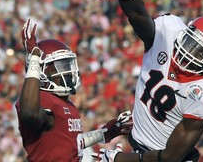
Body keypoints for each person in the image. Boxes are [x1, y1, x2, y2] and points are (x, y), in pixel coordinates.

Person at [89, 0, 203, 162]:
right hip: (139, 148)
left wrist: (117, 159)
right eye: (191, 43)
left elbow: (169, 158)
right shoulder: (170, 31)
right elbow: (138, 16)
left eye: (200, 52)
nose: (188, 53)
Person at [15, 19, 133, 162]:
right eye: (60, 67)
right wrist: (34, 56)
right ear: (41, 71)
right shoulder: (40, 99)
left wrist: (106, 132)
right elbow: (29, 114)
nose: (68, 72)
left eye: (67, 65)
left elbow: (72, 143)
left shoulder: (66, 104)